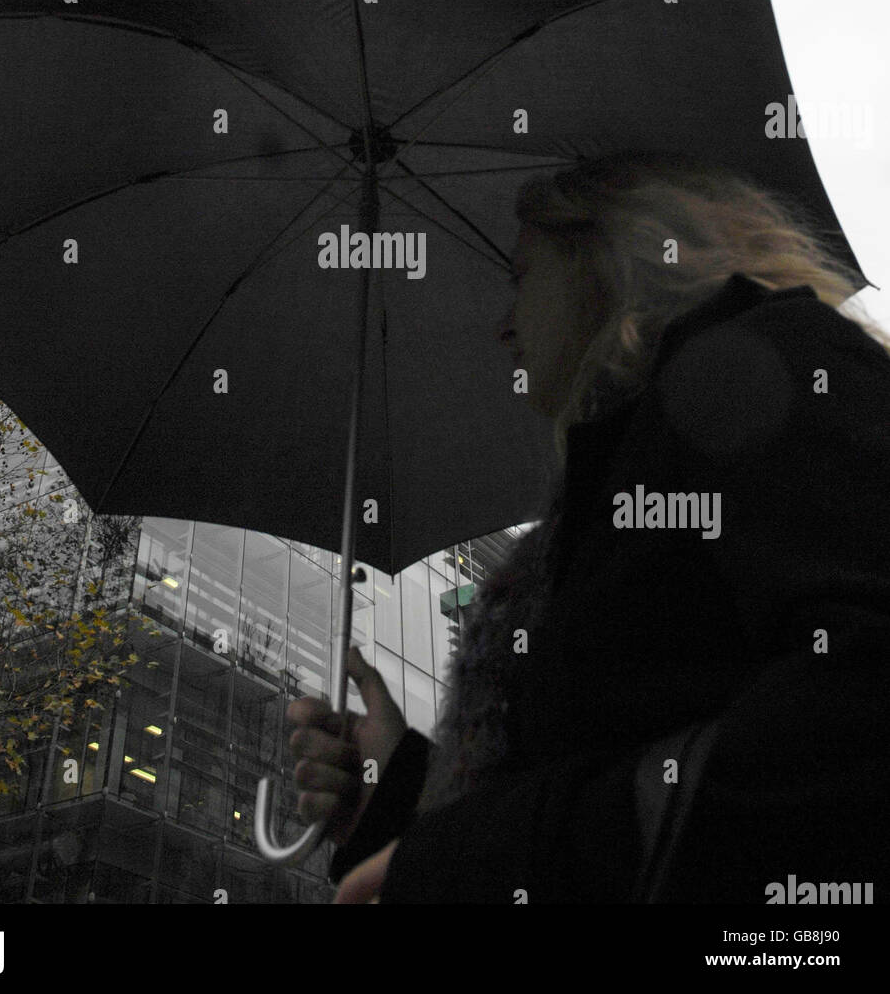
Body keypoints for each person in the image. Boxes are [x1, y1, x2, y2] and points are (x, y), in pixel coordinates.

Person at [288, 150, 890, 904]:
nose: (503, 328)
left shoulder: (760, 364)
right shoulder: (597, 501)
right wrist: (397, 799)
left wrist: (496, 855)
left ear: (602, 262)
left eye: (520, 278)